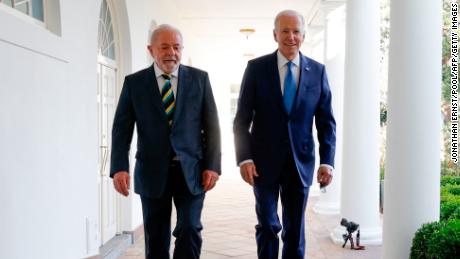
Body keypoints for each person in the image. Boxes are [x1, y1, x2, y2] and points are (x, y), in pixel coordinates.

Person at [110, 24, 221, 259]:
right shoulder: (135, 83)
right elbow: (122, 128)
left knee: (190, 228)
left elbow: (211, 126)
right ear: (151, 50)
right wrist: (119, 167)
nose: (172, 52)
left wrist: (212, 165)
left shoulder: (199, 79)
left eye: (177, 47)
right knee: (156, 237)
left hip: (191, 171)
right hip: (151, 172)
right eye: (165, 47)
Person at [233, 10, 336, 259]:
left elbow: (326, 122)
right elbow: (241, 120)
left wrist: (327, 161)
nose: (291, 36)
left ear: (303, 34)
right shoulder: (256, 69)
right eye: (285, 31)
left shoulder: (318, 71)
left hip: (300, 163)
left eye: (296, 31)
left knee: (294, 230)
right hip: (262, 164)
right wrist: (244, 159)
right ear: (275, 34)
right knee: (268, 225)